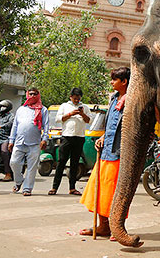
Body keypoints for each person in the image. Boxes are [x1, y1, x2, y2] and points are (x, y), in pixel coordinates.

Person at [79, 67, 130, 238]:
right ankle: (103, 226)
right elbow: (110, 124)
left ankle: (116, 227)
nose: (111, 83)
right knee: (99, 189)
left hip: (121, 152)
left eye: (114, 80)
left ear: (124, 82)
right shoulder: (114, 98)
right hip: (106, 150)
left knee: (116, 192)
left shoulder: (133, 100)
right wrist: (102, 137)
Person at [49, 87, 91, 196]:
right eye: (75, 98)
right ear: (71, 97)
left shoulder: (85, 107)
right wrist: (70, 114)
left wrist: (82, 114)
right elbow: (58, 119)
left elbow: (89, 121)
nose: (76, 100)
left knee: (75, 163)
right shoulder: (64, 106)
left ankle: (72, 188)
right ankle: (54, 187)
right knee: (61, 162)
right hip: (67, 137)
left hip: (79, 137)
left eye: (78, 98)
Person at [8, 87, 49, 196]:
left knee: (32, 167)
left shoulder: (43, 110)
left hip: (34, 143)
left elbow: (46, 126)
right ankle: (18, 181)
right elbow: (15, 125)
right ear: (27, 95)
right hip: (19, 142)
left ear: (38, 95)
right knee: (14, 162)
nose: (32, 96)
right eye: (30, 94)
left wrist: (44, 139)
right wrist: (11, 140)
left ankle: (27, 188)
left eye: (35, 94)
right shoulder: (21, 109)